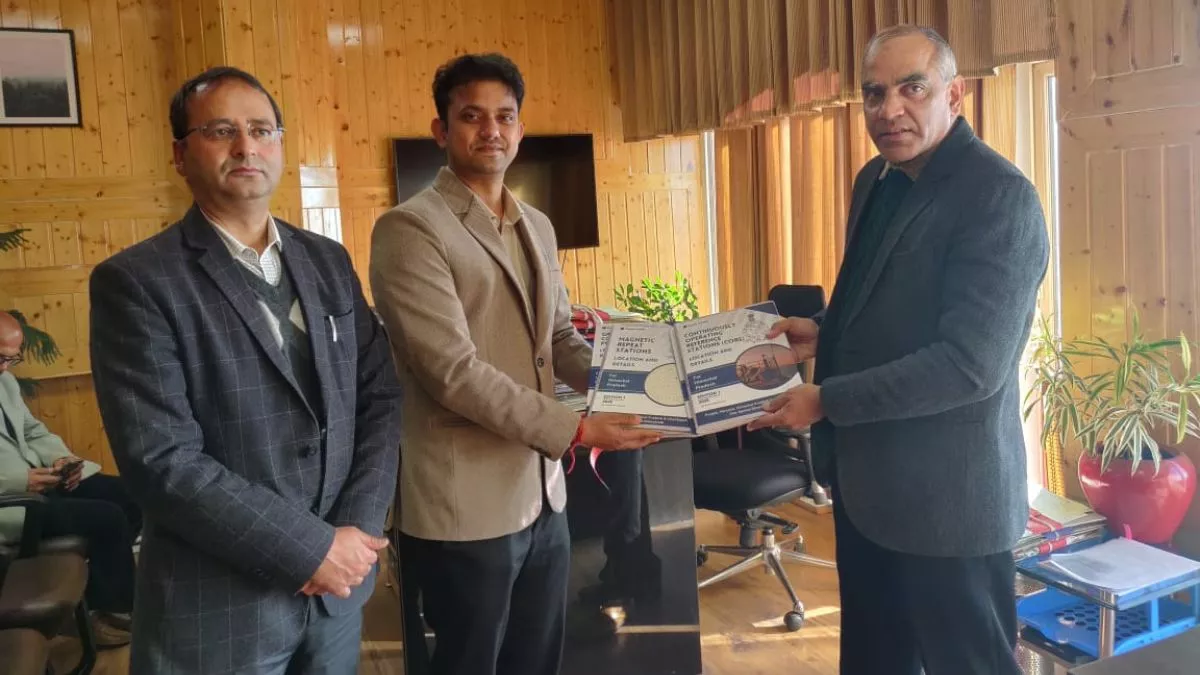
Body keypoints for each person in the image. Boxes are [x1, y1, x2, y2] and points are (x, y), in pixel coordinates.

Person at [746, 25, 1049, 675]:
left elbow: (968, 365)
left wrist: (826, 399)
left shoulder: (999, 196)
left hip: (949, 508)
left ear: (954, 95)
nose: (889, 110)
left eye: (913, 89)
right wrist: (823, 332)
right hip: (868, 492)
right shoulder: (875, 180)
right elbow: (888, 306)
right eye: (874, 93)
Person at [89, 66, 403, 674]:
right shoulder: (138, 282)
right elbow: (162, 461)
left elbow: (380, 396)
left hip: (338, 599)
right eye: (220, 131)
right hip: (220, 613)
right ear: (180, 155)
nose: (246, 146)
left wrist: (355, 533)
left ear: (280, 144)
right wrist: (311, 551)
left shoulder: (327, 260)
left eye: (261, 130)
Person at [369, 53, 660, 675]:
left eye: (504, 117)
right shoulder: (410, 229)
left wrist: (638, 389)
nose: (491, 130)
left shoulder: (538, 226)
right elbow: (452, 371)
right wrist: (577, 428)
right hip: (464, 504)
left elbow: (559, 337)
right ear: (441, 130)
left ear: (521, 130)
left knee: (537, 660)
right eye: (471, 116)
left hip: (542, 497)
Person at [0, 311, 140, 648]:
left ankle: (97, 594)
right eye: (0, 357)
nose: (5, 368)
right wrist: (20, 480)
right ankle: (109, 613)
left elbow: (32, 431)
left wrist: (60, 460)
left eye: (12, 359)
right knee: (108, 518)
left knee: (132, 495)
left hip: (39, 481)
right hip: (12, 502)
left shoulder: (5, 382)